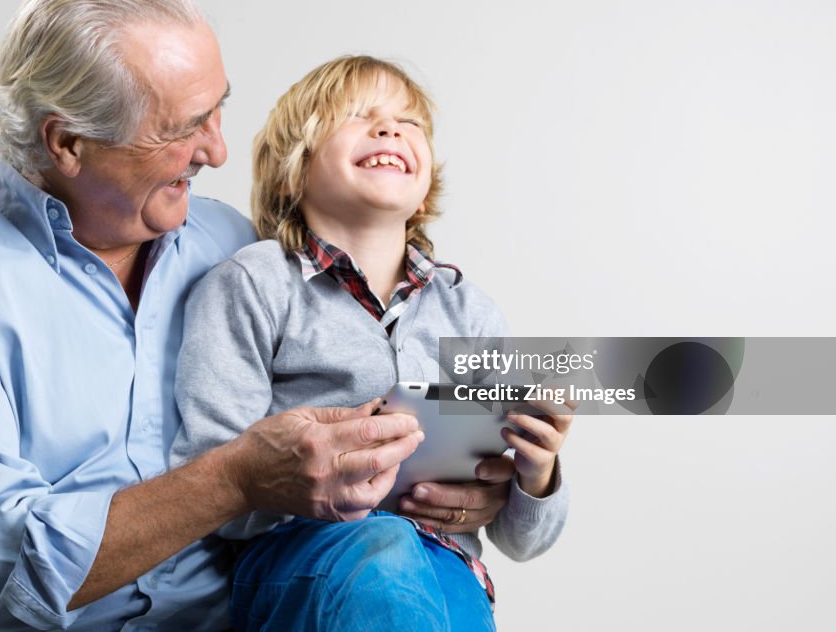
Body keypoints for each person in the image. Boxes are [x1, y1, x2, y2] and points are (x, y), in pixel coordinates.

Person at [0, 0, 426, 631]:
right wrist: (229, 479)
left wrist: (450, 494)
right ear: (67, 141)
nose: (217, 152)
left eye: (219, 112)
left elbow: (317, 438)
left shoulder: (235, 247)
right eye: (184, 127)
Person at [170, 56, 573, 631]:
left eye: (408, 123)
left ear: (428, 180)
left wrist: (539, 473)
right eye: (358, 117)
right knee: (383, 548)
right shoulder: (252, 283)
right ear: (293, 169)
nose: (390, 130)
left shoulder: (469, 310)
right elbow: (209, 481)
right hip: (297, 562)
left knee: (444, 592)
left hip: (445, 566)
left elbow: (524, 541)